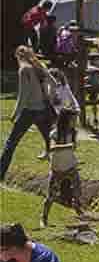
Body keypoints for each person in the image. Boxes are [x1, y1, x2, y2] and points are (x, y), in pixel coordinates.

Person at [1, 47, 54, 181]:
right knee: (50, 139)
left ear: (19, 56)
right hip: (43, 109)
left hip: (29, 111)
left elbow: (23, 95)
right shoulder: (39, 65)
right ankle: (58, 169)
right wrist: (49, 96)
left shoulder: (24, 69)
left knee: (11, 143)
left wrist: (15, 114)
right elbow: (53, 82)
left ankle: (0, 173)